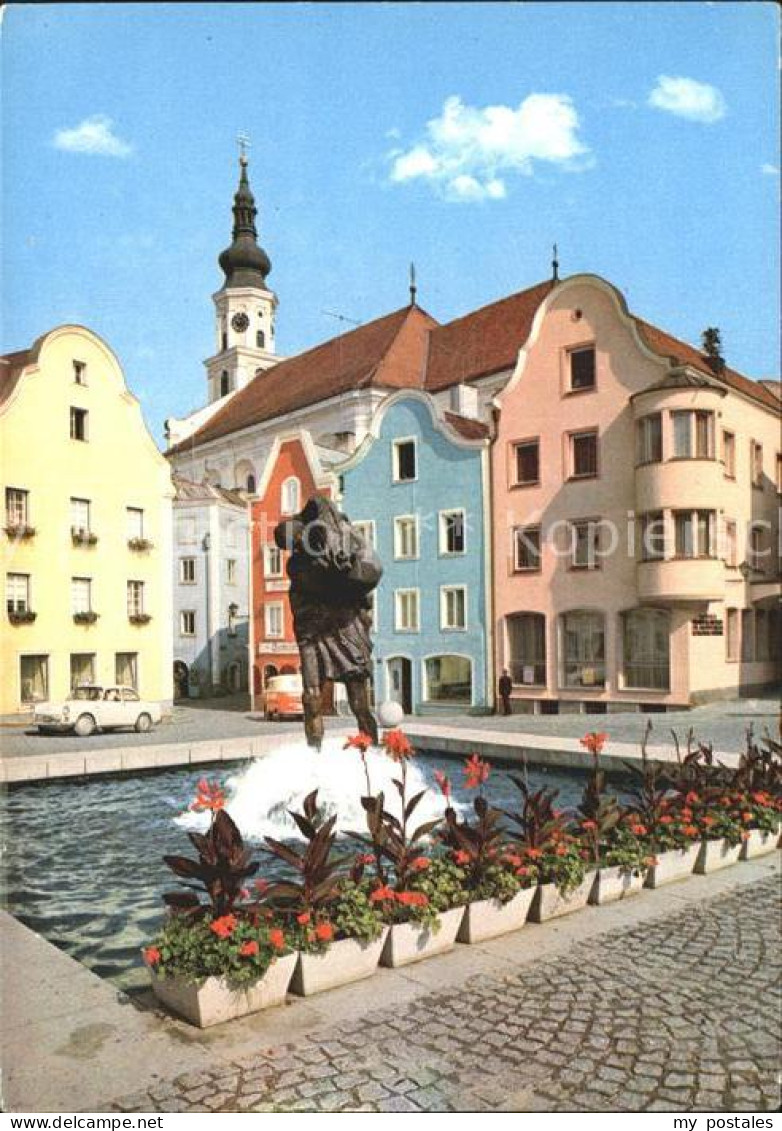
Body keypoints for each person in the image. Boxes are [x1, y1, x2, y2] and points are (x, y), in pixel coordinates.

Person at [274, 495, 382, 749]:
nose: (296, 544)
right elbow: (301, 607)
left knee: (359, 703)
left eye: (298, 539)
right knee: (311, 697)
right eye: (292, 543)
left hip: (345, 628)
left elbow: (369, 572)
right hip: (313, 633)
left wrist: (345, 569)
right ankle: (315, 757)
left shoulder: (340, 539)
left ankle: (373, 755)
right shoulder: (298, 568)